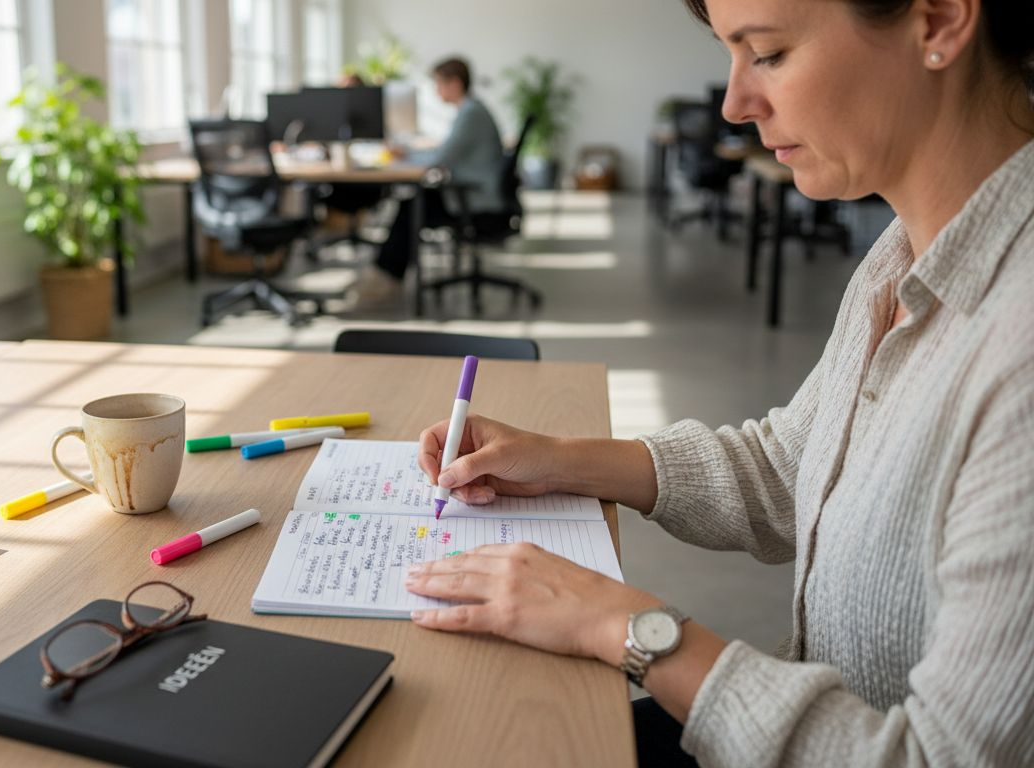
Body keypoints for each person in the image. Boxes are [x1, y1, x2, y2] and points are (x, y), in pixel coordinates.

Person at [404, 0, 1034, 765]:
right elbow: (792, 468)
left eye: (765, 53)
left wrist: (630, 628)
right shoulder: (901, 254)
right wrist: (559, 458)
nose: (735, 103)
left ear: (936, 22)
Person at [362, 57, 505, 293]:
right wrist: (408, 153)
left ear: (455, 84)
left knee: (410, 208)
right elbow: (445, 153)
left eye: (439, 84)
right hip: (469, 192)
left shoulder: (471, 114)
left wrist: (405, 155)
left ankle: (385, 278)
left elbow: (440, 159)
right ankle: (388, 275)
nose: (436, 91)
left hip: (473, 199)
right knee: (412, 204)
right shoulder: (471, 110)